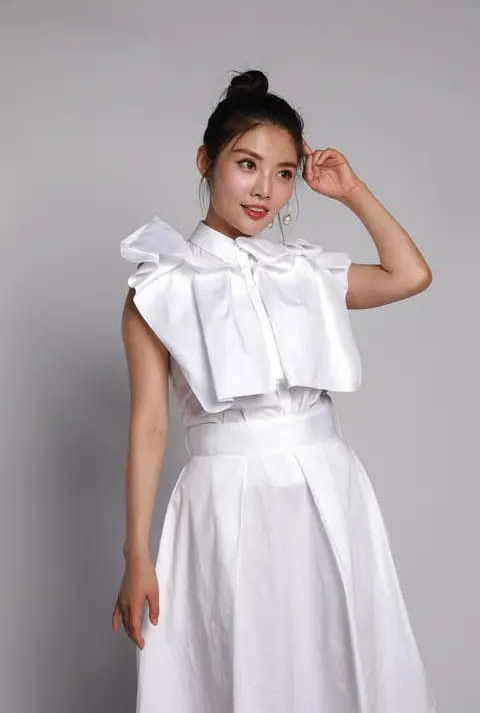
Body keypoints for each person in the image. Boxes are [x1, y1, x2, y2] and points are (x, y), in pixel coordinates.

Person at [112, 69, 437, 712]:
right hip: (226, 499)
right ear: (206, 162)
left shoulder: (303, 270)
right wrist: (136, 553)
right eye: (248, 165)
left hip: (329, 488)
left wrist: (352, 192)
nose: (266, 189)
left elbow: (410, 274)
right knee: (240, 667)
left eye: (284, 173)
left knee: (341, 658)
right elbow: (149, 424)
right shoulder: (160, 287)